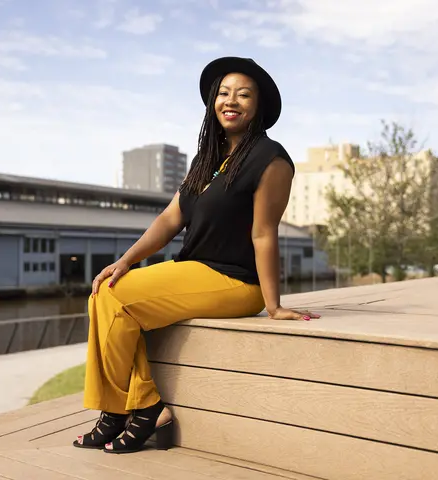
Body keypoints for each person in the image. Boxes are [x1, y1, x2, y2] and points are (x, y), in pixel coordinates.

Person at [72, 56, 321, 455]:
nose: (231, 100)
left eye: (243, 94)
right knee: (106, 290)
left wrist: (273, 306)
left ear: (257, 106)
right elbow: (171, 218)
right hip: (196, 272)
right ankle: (139, 406)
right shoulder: (208, 160)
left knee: (115, 298)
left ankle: (127, 409)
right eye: (224, 93)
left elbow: (263, 233)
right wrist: (126, 260)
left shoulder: (270, 159)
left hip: (237, 282)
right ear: (212, 102)